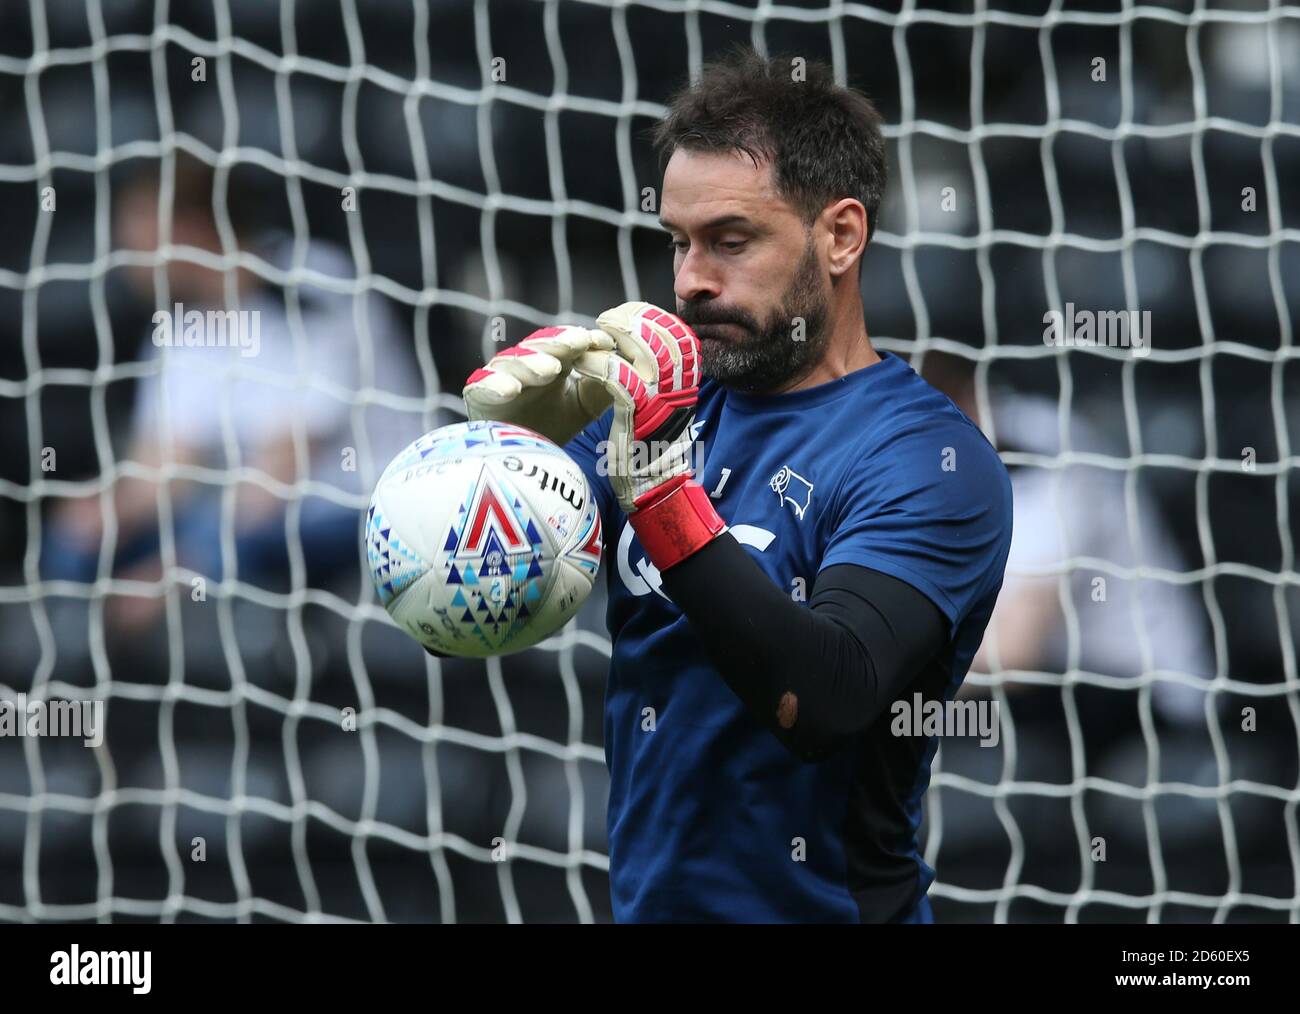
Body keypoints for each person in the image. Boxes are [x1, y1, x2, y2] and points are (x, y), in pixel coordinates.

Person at [460, 48, 1013, 923]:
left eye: (730, 240)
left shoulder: (926, 458)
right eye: (678, 242)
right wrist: (503, 458)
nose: (689, 280)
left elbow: (822, 700)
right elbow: (462, 615)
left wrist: (662, 499)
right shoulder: (659, 406)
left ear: (841, 236)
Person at [42, 154, 419, 627]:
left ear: (193, 227)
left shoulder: (311, 284)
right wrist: (106, 511)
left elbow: (281, 472)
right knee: (76, 541)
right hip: (240, 512)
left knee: (224, 543)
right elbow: (166, 464)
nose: (126, 251)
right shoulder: (181, 323)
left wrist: (176, 570)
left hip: (353, 506)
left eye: (139, 231)